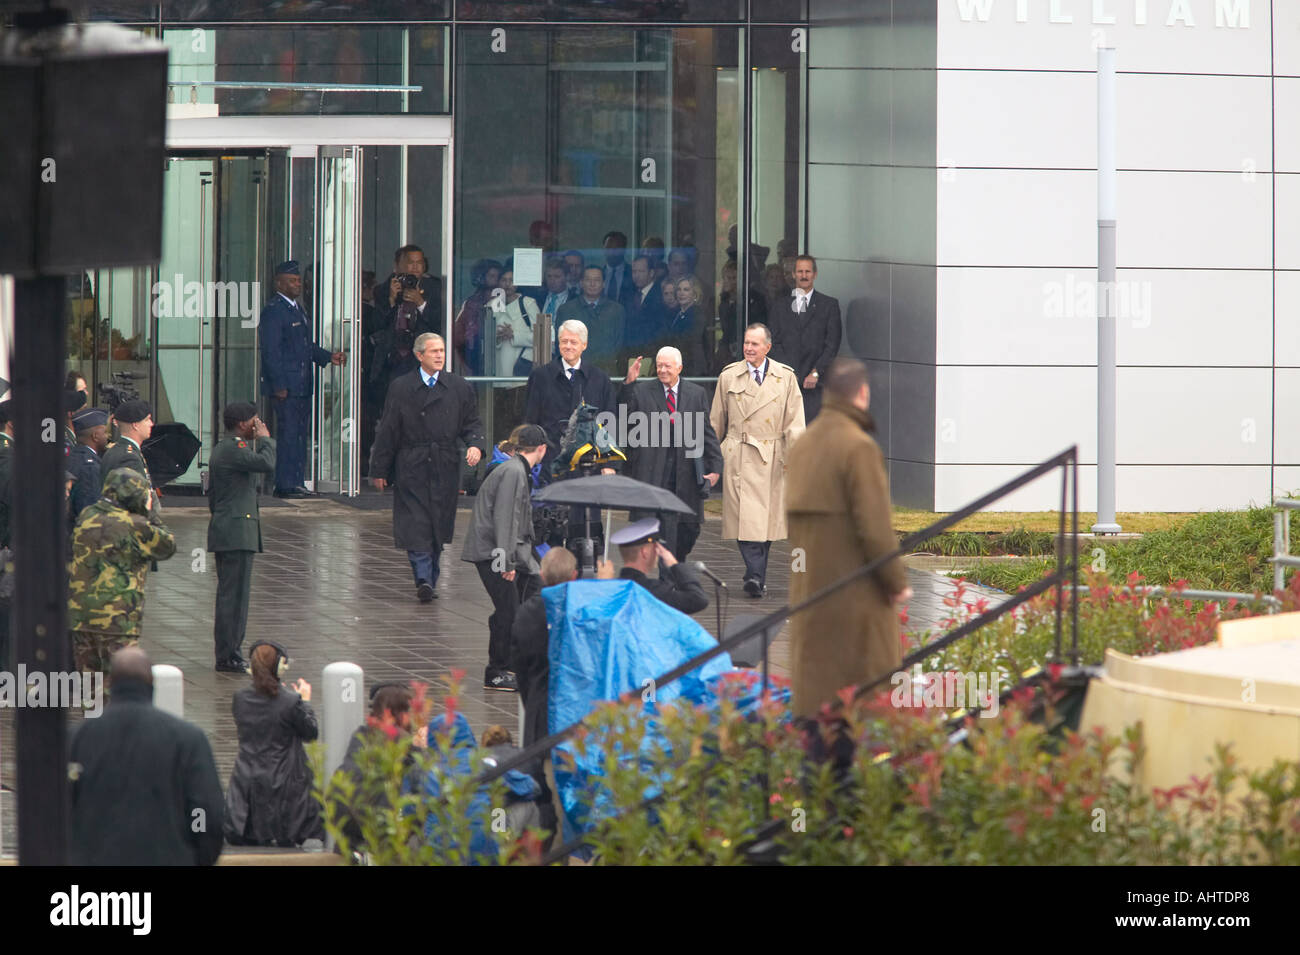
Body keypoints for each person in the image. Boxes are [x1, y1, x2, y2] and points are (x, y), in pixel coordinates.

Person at [786, 359, 913, 718]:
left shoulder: (803, 445)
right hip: (855, 605)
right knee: (859, 713)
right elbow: (875, 528)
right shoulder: (859, 448)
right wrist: (897, 583)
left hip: (811, 597)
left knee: (817, 717)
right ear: (862, 394)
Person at [69, 647, 225, 866]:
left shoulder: (77, 739)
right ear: (152, 683)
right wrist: (196, 857)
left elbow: (54, 811)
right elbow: (206, 811)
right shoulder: (188, 739)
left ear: (110, 682)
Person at [370, 333, 486, 602]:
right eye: (433, 351)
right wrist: (379, 469)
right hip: (412, 464)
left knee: (437, 524)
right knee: (416, 523)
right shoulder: (401, 387)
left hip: (445, 464)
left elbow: (472, 423)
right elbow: (389, 429)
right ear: (419, 355)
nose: (439, 355)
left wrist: (475, 446)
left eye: (442, 350)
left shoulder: (458, 387)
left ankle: (430, 578)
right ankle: (423, 577)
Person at [710, 323, 805, 598]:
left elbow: (795, 422)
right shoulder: (729, 376)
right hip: (738, 453)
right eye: (746, 343)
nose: (749, 348)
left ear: (767, 347)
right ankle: (753, 575)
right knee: (745, 520)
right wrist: (711, 460)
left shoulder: (785, 378)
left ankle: (757, 576)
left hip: (773, 456)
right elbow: (716, 421)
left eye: (754, 344)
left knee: (766, 524)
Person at [462, 424, 548, 691]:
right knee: (508, 608)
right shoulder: (513, 472)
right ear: (542, 449)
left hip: (504, 551)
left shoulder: (516, 469)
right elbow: (504, 518)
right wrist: (506, 562)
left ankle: (514, 662)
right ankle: (497, 671)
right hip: (494, 553)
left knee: (525, 598)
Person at [522, 319, 618, 554]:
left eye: (573, 342)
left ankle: (584, 577)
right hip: (551, 463)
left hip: (588, 466)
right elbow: (530, 420)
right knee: (550, 524)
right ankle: (553, 577)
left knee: (585, 529)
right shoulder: (541, 377)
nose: (568, 346)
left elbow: (608, 423)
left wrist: (609, 464)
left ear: (584, 345)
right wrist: (527, 456)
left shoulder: (599, 379)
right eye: (564, 341)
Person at [67, 468, 176, 673]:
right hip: (116, 619)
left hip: (82, 617)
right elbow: (167, 545)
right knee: (119, 681)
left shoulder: (87, 515)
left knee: (92, 684)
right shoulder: (134, 525)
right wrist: (151, 515)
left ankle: (94, 706)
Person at [620, 346, 721, 561]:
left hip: (685, 473)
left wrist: (716, 467)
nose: (662, 370)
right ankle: (669, 574)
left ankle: (676, 562)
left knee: (689, 529)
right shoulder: (642, 391)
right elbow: (624, 418)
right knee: (663, 529)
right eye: (659, 366)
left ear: (679, 368)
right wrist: (628, 384)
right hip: (654, 472)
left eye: (667, 366)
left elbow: (706, 432)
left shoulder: (696, 394)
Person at [224, 641, 325, 847]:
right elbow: (311, 733)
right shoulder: (290, 701)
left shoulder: (240, 698)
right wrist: (304, 701)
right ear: (279, 666)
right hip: (284, 780)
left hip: (247, 777)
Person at [259, 260, 346, 498]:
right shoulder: (274, 310)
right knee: (288, 436)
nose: (298, 284)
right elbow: (271, 352)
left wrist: (328, 357)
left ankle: (296, 482)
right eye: (292, 280)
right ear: (279, 283)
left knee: (299, 435)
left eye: (298, 280)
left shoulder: (297, 308)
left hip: (302, 385)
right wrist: (279, 385)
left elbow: (305, 346)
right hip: (287, 387)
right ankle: (286, 484)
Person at [208, 402, 276, 673]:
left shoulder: (230, 449)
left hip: (232, 531)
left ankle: (230, 651)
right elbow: (266, 463)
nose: (257, 424)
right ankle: (228, 654)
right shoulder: (232, 449)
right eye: (254, 420)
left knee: (235, 598)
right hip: (236, 533)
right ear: (242, 424)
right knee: (233, 599)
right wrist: (266, 439)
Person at [770, 254, 842, 422]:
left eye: (808, 271)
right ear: (794, 274)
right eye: (800, 271)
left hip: (816, 386)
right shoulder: (780, 306)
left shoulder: (829, 305)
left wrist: (816, 373)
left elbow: (832, 344)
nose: (804, 275)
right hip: (786, 385)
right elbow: (774, 341)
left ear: (815, 274)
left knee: (813, 438)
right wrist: (788, 372)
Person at [370, 245, 443, 408]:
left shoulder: (436, 288)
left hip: (421, 360)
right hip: (393, 361)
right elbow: (376, 325)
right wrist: (390, 300)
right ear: (397, 267)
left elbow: (440, 325)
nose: (416, 267)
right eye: (410, 262)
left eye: (420, 262)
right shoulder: (383, 289)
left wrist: (421, 303)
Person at [611, 518, 708, 615]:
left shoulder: (611, 590)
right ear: (644, 552)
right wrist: (674, 565)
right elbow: (698, 600)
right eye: (655, 548)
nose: (657, 553)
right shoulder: (655, 592)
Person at [555, 266, 625, 376]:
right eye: (588, 280)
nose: (592, 284)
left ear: (604, 284)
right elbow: (560, 345)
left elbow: (619, 344)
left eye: (597, 280)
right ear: (581, 283)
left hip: (606, 372)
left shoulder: (616, 310)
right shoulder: (566, 310)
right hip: (574, 372)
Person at [100, 398, 157, 509]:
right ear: (135, 425)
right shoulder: (129, 457)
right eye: (147, 420)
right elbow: (134, 502)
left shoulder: (118, 450)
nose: (151, 424)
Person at [452, 257, 502, 376]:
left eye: (498, 277)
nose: (496, 280)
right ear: (481, 277)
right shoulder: (472, 303)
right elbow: (458, 336)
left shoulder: (506, 300)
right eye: (491, 276)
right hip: (475, 352)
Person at [493, 265, 540, 377]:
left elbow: (541, 337)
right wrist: (497, 336)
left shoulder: (528, 304)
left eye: (512, 280)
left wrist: (513, 335)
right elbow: (484, 341)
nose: (507, 284)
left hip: (522, 368)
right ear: (499, 283)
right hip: (498, 372)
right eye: (504, 280)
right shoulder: (491, 306)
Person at [620, 255, 665, 367]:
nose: (637, 275)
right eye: (634, 271)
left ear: (651, 273)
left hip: (652, 355)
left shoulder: (661, 294)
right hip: (631, 355)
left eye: (641, 271)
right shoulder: (629, 294)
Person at [67, 406, 109, 524]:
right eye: (105, 432)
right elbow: (89, 512)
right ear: (95, 436)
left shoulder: (73, 456)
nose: (107, 436)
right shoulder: (89, 467)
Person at [665, 275, 708, 376]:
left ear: (694, 293)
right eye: (679, 289)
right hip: (680, 365)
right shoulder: (678, 314)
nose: (681, 293)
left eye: (686, 290)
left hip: (692, 367)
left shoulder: (697, 314)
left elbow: (694, 342)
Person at [602, 230, 632, 307]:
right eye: (608, 248)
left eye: (616, 248)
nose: (612, 252)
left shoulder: (633, 273)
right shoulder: (599, 274)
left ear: (624, 250)